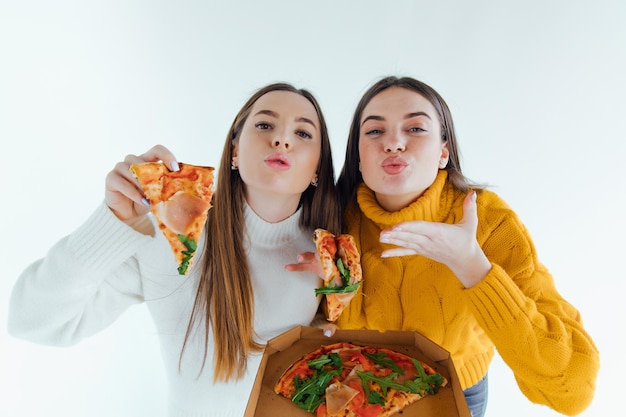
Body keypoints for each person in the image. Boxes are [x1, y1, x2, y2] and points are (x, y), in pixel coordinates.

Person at [8, 82, 342, 416]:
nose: (282, 139)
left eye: (302, 133)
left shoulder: (331, 256)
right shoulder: (175, 233)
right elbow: (31, 321)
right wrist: (114, 221)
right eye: (265, 125)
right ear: (235, 151)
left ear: (317, 168)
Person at [332, 76, 599, 417]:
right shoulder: (334, 218)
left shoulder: (489, 221)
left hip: (457, 389)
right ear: (357, 155)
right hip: (359, 389)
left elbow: (573, 391)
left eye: (415, 129)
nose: (394, 143)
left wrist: (471, 266)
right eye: (374, 131)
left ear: (443, 151)